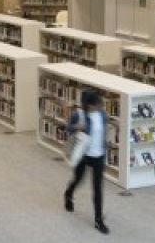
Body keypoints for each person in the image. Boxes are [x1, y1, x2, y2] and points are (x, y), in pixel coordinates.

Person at [64, 91, 110, 234]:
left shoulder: (102, 114)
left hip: (99, 156)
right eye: (98, 104)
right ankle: (68, 194)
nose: (100, 106)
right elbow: (68, 127)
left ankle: (98, 220)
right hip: (84, 155)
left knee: (97, 188)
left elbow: (104, 132)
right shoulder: (80, 114)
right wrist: (78, 127)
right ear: (90, 105)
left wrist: (105, 147)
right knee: (78, 180)